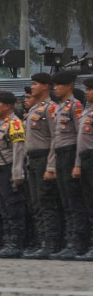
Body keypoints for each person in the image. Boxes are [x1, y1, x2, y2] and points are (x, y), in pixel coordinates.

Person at [22, 73, 62, 259]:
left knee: (46, 202)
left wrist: (51, 166)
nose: (32, 87)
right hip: (33, 159)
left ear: (46, 86)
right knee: (36, 203)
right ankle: (42, 242)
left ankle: (51, 243)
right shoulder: (35, 108)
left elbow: (55, 138)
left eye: (35, 84)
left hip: (45, 158)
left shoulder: (50, 108)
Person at [49, 70, 87, 260]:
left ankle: (78, 243)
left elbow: (81, 136)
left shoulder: (76, 106)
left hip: (72, 153)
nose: (55, 88)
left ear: (69, 86)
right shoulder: (59, 107)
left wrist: (78, 163)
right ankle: (70, 241)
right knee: (65, 201)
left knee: (74, 201)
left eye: (58, 85)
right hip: (61, 155)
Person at [0, 91, 27, 258]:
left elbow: (19, 151)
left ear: (8, 105)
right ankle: (9, 242)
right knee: (4, 209)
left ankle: (16, 244)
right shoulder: (1, 124)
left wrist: (17, 173)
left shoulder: (15, 124)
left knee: (13, 209)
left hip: (8, 171)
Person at [74, 78, 93, 261]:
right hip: (85, 159)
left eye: (90, 89)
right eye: (86, 89)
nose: (87, 92)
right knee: (88, 204)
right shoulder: (86, 111)